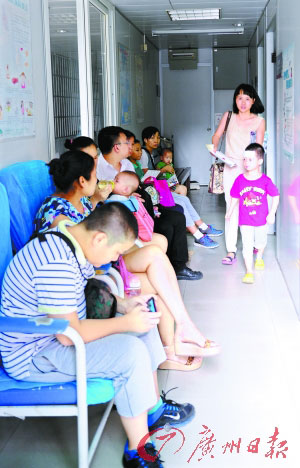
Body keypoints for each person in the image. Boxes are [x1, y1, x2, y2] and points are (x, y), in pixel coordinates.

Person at [0, 202, 195, 467]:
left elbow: (81, 296)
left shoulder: (70, 238)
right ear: (100, 237)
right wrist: (125, 323)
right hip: (35, 353)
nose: (114, 259)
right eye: (116, 251)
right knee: (131, 351)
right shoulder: (55, 263)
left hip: (59, 330)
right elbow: (68, 336)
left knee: (145, 324)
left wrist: (123, 305)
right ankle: (139, 452)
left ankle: (152, 410)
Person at [34, 150, 219, 371]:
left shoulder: (81, 200)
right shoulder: (56, 215)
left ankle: (182, 330)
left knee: (157, 257)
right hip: (95, 271)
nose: (101, 179)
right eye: (95, 174)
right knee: (156, 281)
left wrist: (97, 200)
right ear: (82, 181)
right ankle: (172, 346)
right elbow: (80, 250)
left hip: (103, 260)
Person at [97, 126, 203, 281]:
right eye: (127, 143)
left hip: (141, 210)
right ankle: (163, 266)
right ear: (116, 147)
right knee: (166, 225)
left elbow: (137, 186)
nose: (130, 146)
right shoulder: (98, 168)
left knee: (177, 216)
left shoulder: (126, 164)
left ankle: (179, 267)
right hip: (124, 219)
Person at [142, 126, 223, 249]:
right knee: (181, 202)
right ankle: (198, 235)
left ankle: (202, 227)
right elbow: (146, 176)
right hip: (152, 192)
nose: (157, 140)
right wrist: (164, 170)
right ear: (145, 140)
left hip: (157, 188)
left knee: (184, 199)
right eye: (153, 138)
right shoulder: (143, 154)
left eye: (158, 137)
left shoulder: (151, 153)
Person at [212, 83, 265, 265]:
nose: (243, 102)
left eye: (247, 98)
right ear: (235, 99)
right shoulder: (229, 117)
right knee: (231, 208)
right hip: (230, 169)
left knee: (251, 207)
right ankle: (231, 250)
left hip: (250, 170)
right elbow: (217, 136)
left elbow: (257, 148)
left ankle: (254, 244)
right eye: (239, 98)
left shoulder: (259, 121)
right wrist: (214, 148)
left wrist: (253, 169)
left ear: (253, 101)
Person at [225, 143, 279, 284]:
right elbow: (235, 196)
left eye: (250, 160)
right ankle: (249, 271)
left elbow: (276, 195)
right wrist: (230, 211)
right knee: (247, 245)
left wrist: (272, 213)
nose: (246, 163)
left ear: (260, 161)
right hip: (245, 220)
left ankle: (259, 257)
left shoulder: (265, 181)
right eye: (244, 159)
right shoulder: (240, 180)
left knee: (260, 242)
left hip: (261, 220)